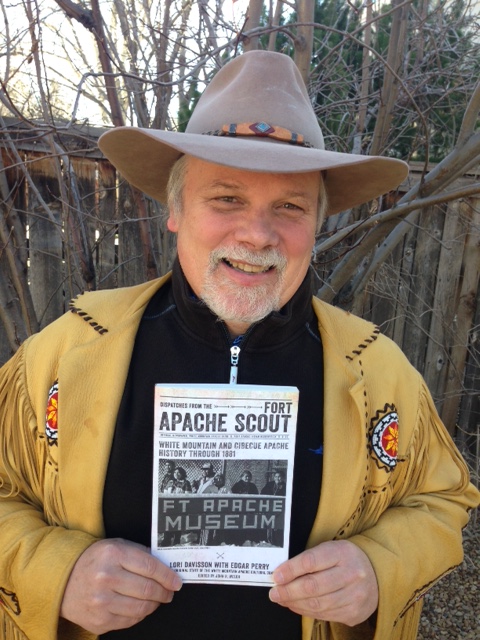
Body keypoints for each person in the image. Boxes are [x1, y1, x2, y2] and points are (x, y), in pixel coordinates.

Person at [0, 50, 478, 640]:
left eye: (290, 207)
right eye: (226, 198)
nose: (257, 233)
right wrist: (55, 571)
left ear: (318, 224)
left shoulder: (375, 369)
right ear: (175, 210)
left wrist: (380, 567)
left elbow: (441, 500)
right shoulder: (68, 352)